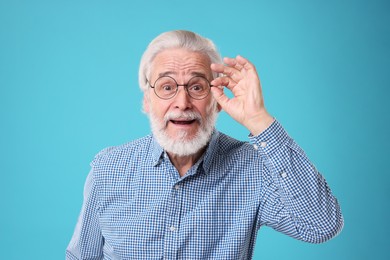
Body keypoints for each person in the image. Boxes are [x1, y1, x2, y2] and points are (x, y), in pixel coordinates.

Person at [66, 30, 343, 259]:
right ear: (147, 101)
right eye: (166, 87)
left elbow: (321, 226)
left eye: (197, 87)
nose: (182, 103)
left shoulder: (254, 169)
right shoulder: (108, 169)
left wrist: (259, 121)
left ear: (217, 101)